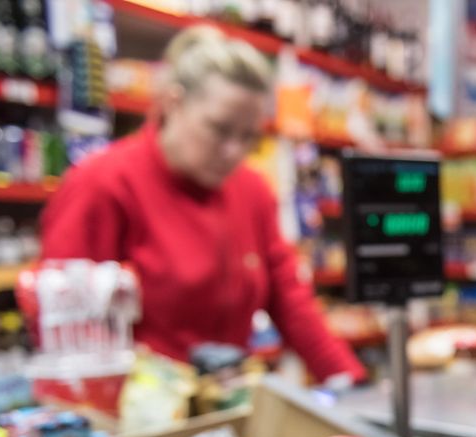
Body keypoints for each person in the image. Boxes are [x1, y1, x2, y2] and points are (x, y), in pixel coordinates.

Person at [41, 26, 365, 384]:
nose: (234, 152)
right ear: (174, 103)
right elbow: (64, 326)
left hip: (226, 408)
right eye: (219, 130)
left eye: (248, 137)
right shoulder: (102, 184)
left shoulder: (252, 190)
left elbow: (291, 300)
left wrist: (350, 382)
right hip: (136, 419)